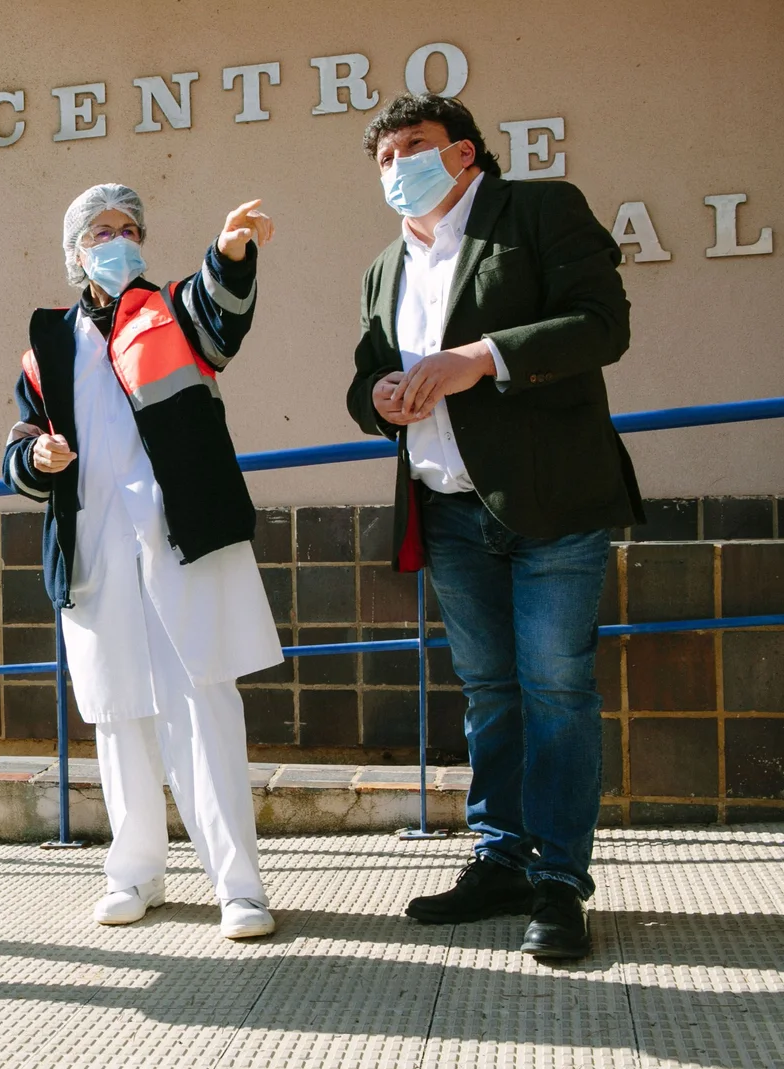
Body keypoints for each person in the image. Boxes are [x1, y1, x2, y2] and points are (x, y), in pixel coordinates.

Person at [345, 93, 638, 960]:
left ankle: (561, 880)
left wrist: (480, 358)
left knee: (556, 691)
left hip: (551, 503)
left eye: (415, 146)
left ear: (465, 153)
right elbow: (365, 372)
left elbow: (602, 325)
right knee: (490, 695)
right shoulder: (384, 267)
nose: (399, 166)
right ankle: (501, 858)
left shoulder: (539, 211)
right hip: (446, 510)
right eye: (385, 158)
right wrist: (380, 398)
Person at [1, 184, 282, 941]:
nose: (118, 239)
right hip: (95, 549)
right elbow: (17, 443)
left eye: (129, 228)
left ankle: (239, 887)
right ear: (76, 250)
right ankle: (134, 874)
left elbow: (222, 321)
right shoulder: (47, 345)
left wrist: (227, 255)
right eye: (101, 230)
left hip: (178, 536)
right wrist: (37, 454)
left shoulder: (173, 309)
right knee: (119, 715)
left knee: (205, 706)